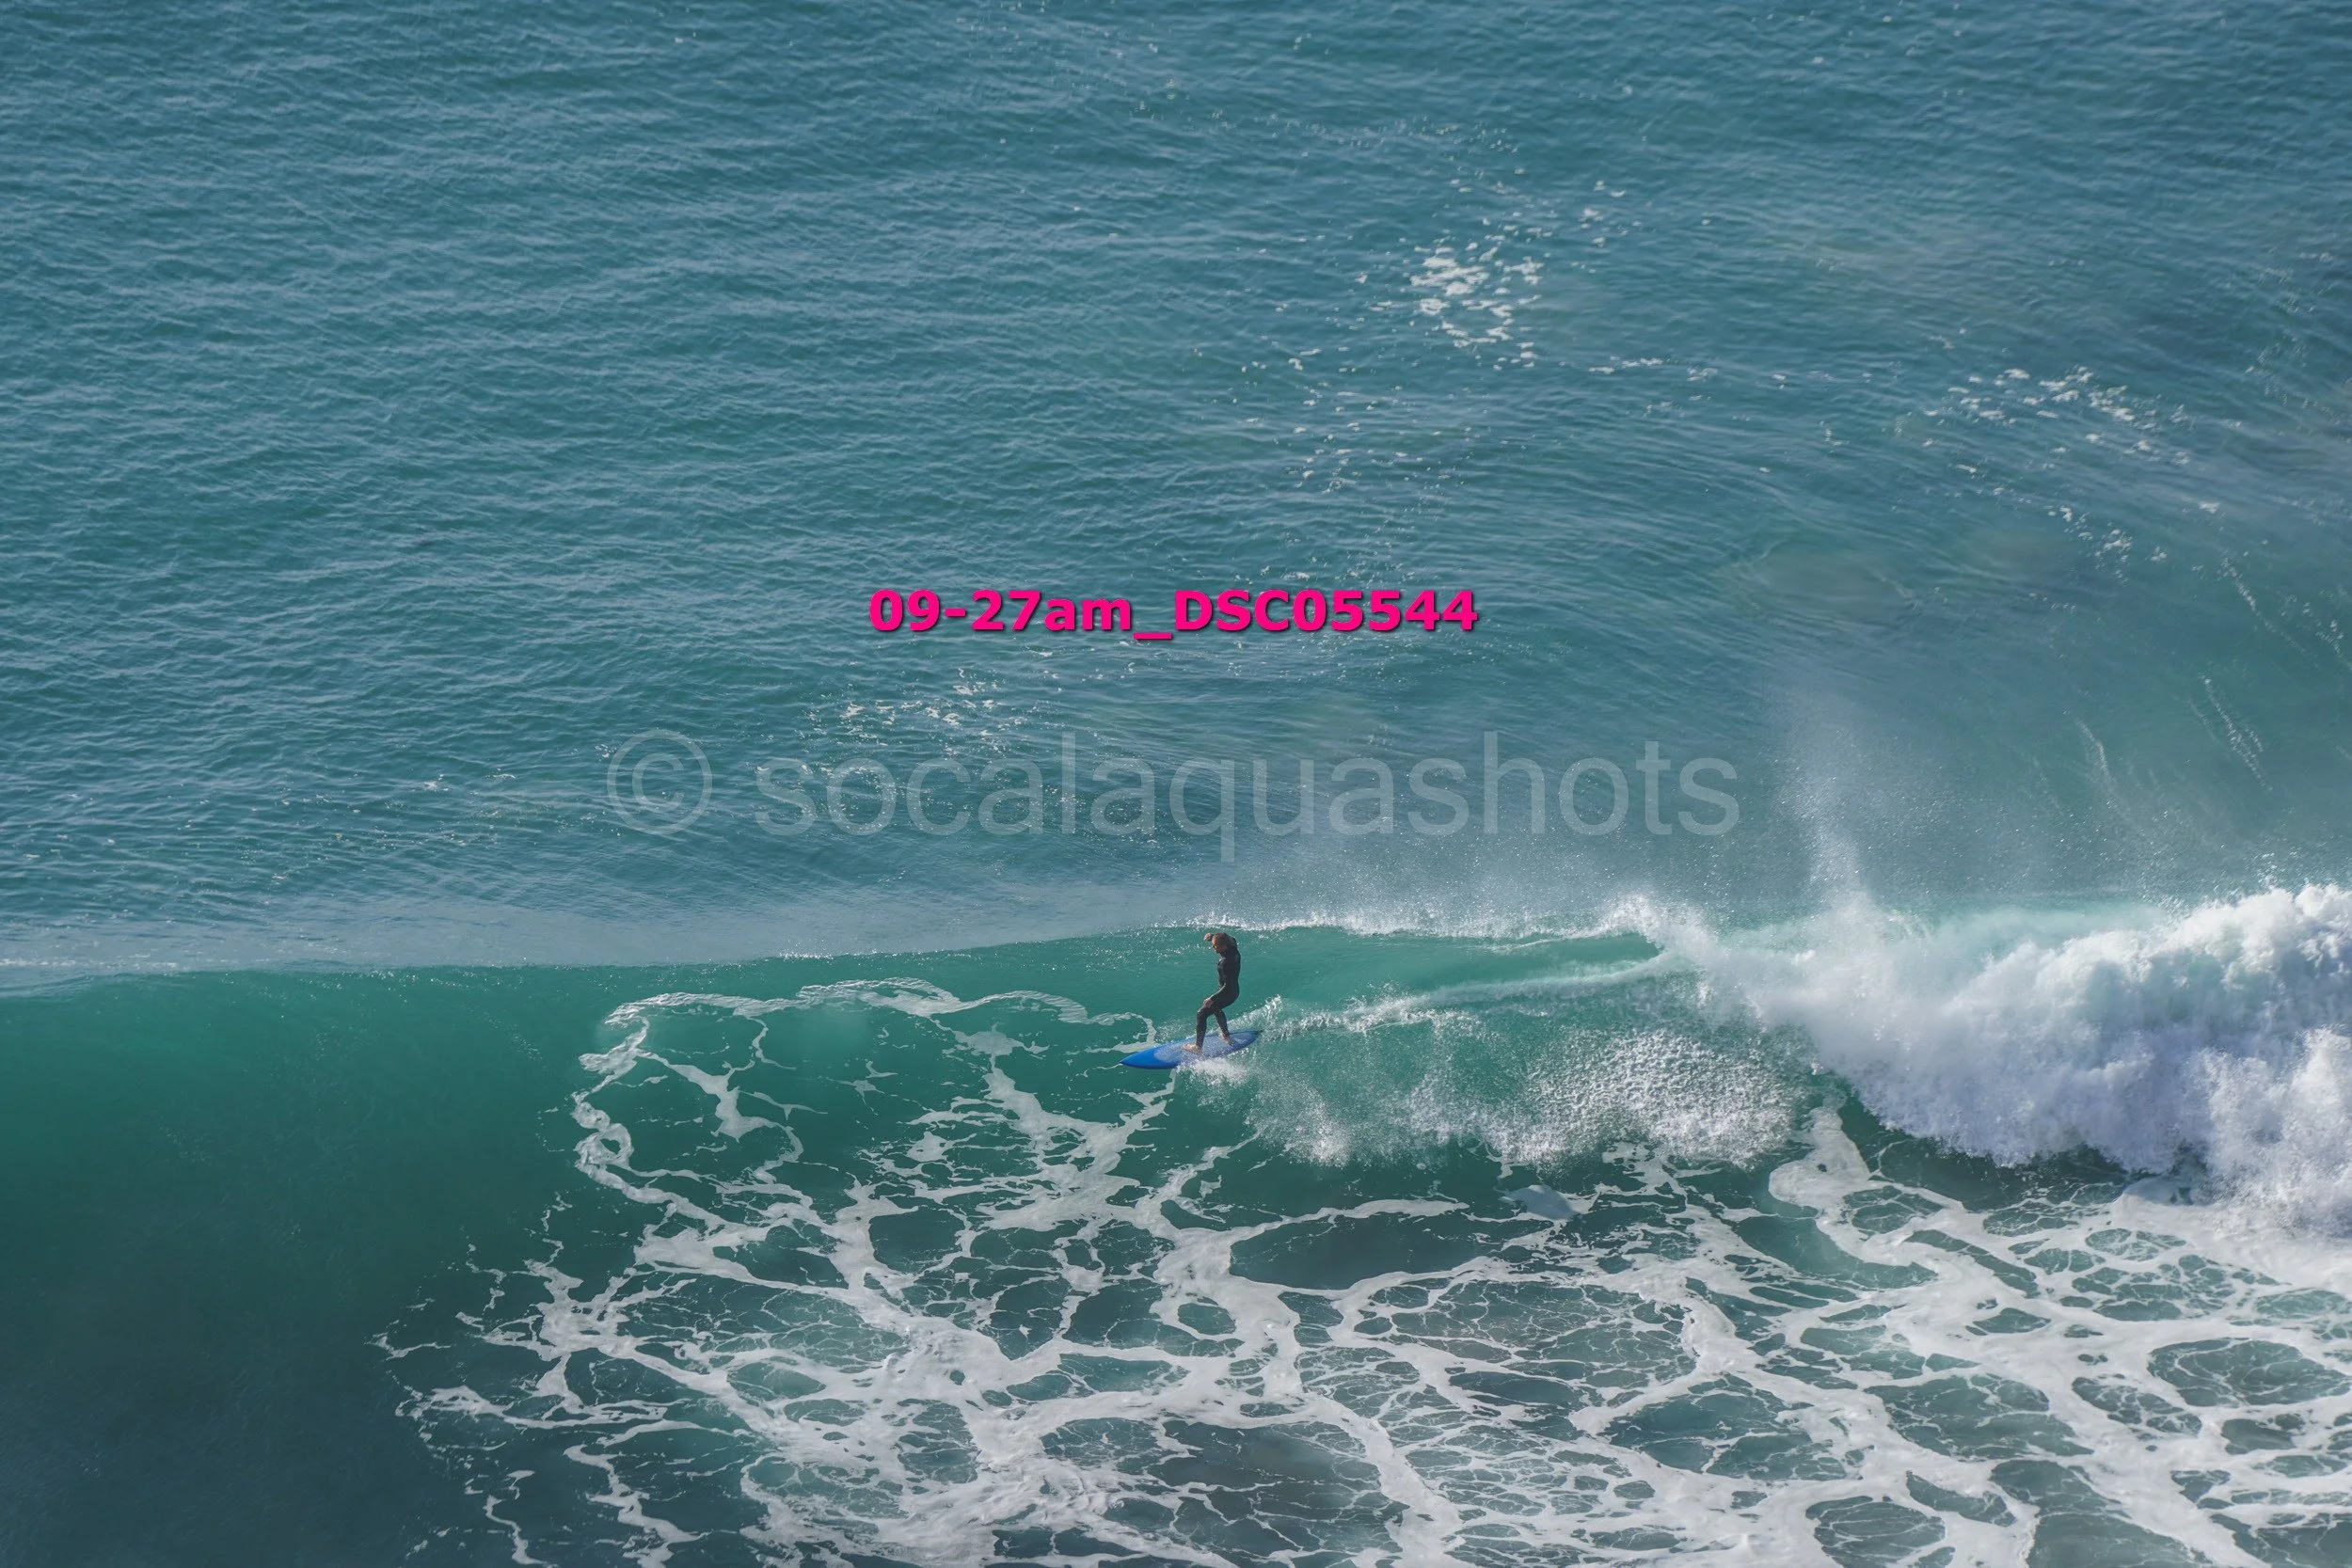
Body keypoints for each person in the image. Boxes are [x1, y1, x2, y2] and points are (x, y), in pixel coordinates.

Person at [1192, 930, 1242, 1053]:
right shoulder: (1233, 947)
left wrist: (1212, 998)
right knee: (1216, 1008)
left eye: (1215, 945)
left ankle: (1197, 1047)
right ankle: (1226, 1035)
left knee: (1201, 1013)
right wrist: (1213, 936)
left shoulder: (1225, 962)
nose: (1213, 947)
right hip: (1233, 991)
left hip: (1227, 993)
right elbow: (1230, 937)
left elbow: (1227, 985)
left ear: (1224, 946)